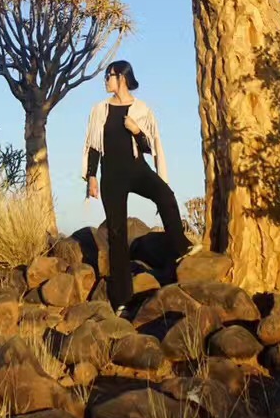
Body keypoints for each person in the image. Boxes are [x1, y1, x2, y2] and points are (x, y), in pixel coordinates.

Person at [81, 59, 200, 312]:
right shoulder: (99, 110)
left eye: (109, 76)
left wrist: (136, 130)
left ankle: (180, 247)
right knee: (117, 234)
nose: (106, 81)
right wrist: (91, 176)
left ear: (121, 78)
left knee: (165, 195)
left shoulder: (142, 109)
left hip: (137, 170)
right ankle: (121, 299)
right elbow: (93, 145)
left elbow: (149, 146)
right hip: (111, 175)